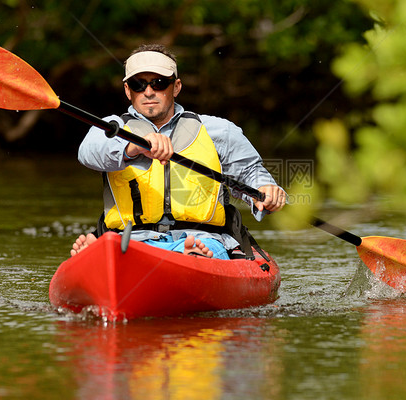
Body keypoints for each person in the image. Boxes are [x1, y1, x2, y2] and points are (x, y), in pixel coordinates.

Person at [70, 44, 287, 259]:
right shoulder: (111, 128)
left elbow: (251, 174)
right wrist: (133, 147)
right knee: (120, 246)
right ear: (128, 90)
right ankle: (104, 254)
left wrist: (264, 189)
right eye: (138, 84)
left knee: (201, 247)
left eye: (159, 83)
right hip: (131, 240)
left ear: (176, 87)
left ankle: (191, 256)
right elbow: (88, 153)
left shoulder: (218, 130)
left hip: (202, 237)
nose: (148, 92)